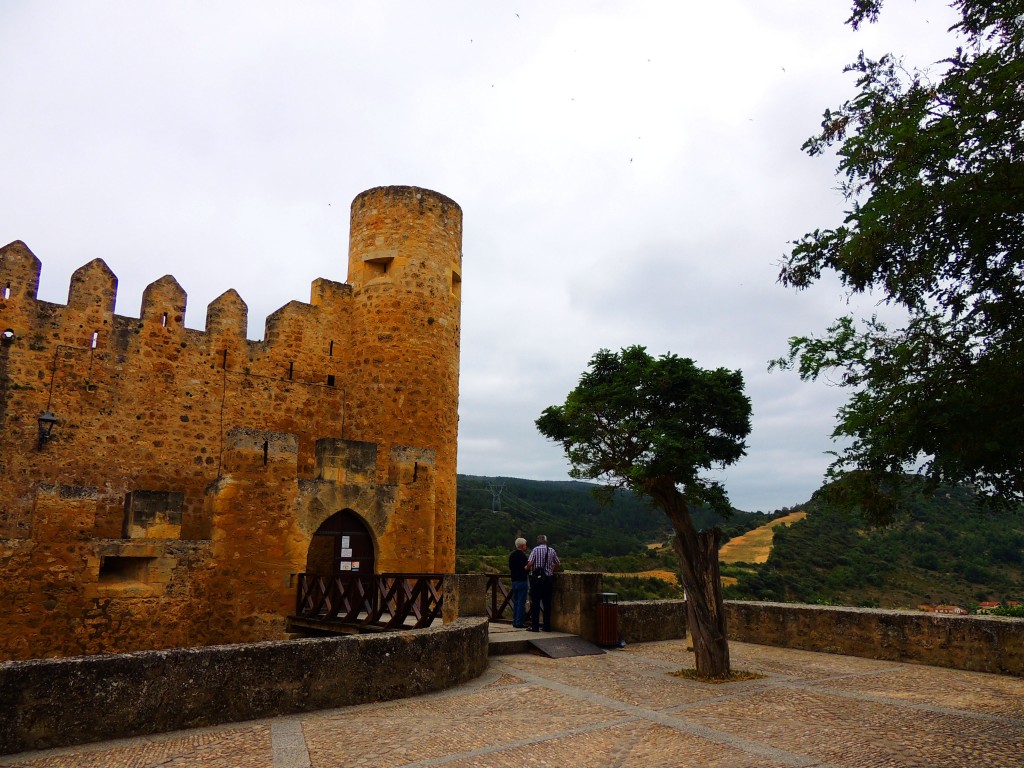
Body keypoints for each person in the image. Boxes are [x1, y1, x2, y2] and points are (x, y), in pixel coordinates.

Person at [526, 534, 560, 632]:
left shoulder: (535, 550)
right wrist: (551, 568)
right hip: (548, 579)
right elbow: (558, 563)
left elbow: (530, 563)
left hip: (536, 580)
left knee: (535, 603)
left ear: (538, 541)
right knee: (547, 603)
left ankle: (535, 627)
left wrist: (526, 568)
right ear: (546, 541)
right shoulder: (551, 550)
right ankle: (547, 626)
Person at [508, 537, 529, 628]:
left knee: (516, 602)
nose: (526, 546)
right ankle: (519, 622)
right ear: (522, 546)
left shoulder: (512, 556)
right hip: (522, 580)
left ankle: (515, 621)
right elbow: (526, 568)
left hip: (514, 581)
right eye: (525, 545)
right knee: (521, 602)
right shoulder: (522, 556)